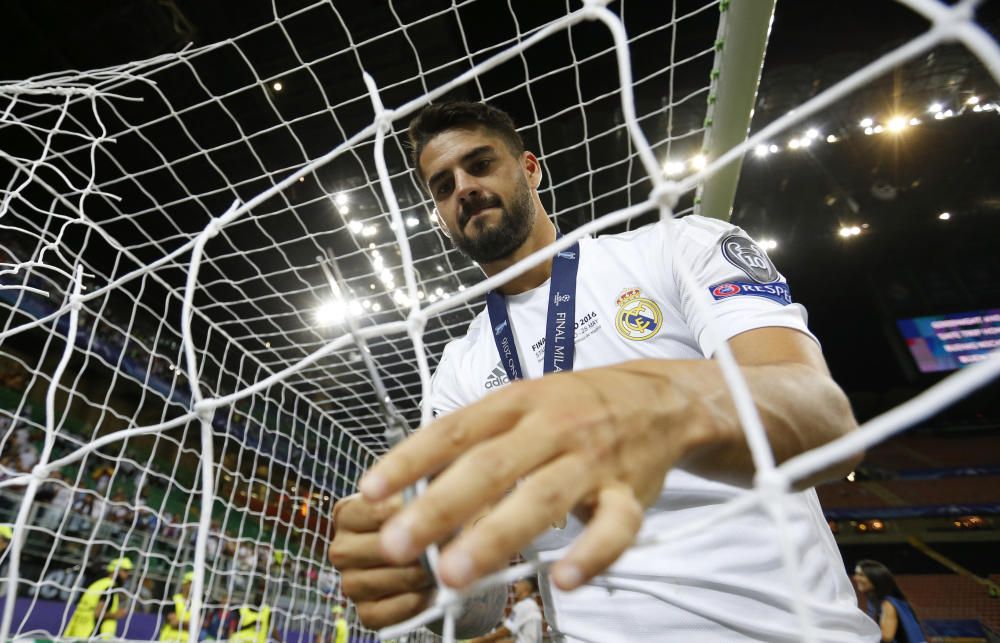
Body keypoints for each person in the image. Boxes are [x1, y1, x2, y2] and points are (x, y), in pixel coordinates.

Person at [328, 101, 879, 641]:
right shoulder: (459, 371)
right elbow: (480, 606)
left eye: (479, 164)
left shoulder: (676, 247)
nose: (463, 189)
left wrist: (648, 406)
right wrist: (424, 578)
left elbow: (822, 417)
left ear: (528, 168)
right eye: (442, 187)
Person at [853, 560, 926, 643]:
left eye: (861, 575)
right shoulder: (881, 603)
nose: (855, 578)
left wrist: (856, 634)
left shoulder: (888, 604)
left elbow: (887, 636)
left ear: (875, 578)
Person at [64, 557, 133, 639]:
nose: (127, 575)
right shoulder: (109, 588)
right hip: (93, 635)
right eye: (125, 571)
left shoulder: (97, 584)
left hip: (78, 632)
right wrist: (116, 614)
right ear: (115, 571)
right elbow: (98, 613)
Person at [473, 577, 542, 643]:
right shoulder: (532, 605)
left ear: (526, 586)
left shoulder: (524, 606)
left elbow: (505, 631)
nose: (516, 586)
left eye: (519, 583)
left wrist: (482, 640)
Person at [159, 570, 194, 641]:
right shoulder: (173, 600)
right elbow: (173, 623)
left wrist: (180, 622)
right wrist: (188, 624)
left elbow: (197, 626)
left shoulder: (198, 604)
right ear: (185, 583)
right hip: (170, 638)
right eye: (191, 583)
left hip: (187, 639)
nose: (194, 586)